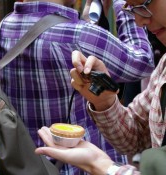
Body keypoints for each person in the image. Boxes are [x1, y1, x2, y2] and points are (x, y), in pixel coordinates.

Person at [0, 0, 154, 174]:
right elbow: (142, 61)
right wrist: (123, 6)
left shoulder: (1, 30)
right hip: (82, 165)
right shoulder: (81, 34)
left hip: (26, 165)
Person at [35, 0, 166, 174]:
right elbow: (135, 134)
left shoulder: (2, 30)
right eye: (131, 9)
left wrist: (101, 165)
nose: (139, 21)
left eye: (143, 5)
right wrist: (105, 102)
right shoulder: (83, 33)